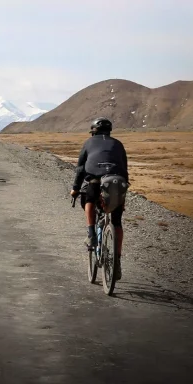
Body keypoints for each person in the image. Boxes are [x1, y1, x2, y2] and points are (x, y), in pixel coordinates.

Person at [70, 117, 129, 279]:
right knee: (117, 222)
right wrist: (122, 196)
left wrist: (75, 189)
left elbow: (81, 168)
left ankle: (91, 233)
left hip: (96, 180)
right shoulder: (118, 144)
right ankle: (116, 261)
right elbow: (124, 167)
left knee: (89, 200)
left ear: (93, 131)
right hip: (118, 182)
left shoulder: (88, 143)